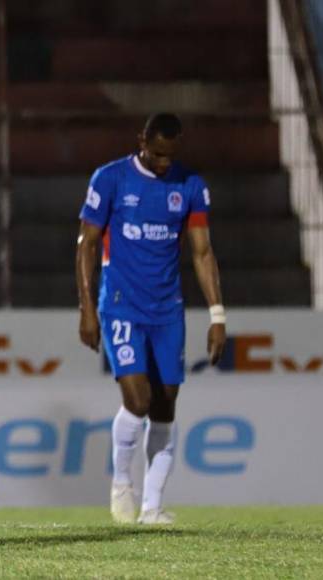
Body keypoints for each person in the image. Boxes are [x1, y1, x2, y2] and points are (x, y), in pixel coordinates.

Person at [75, 113, 227, 525]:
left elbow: (202, 252)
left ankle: (152, 508)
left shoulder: (190, 186)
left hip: (167, 309)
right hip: (121, 303)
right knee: (137, 400)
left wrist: (217, 315)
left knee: (165, 406)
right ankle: (122, 483)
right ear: (141, 139)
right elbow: (87, 245)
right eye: (156, 153)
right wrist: (87, 308)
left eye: (170, 156)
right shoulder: (110, 179)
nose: (163, 163)